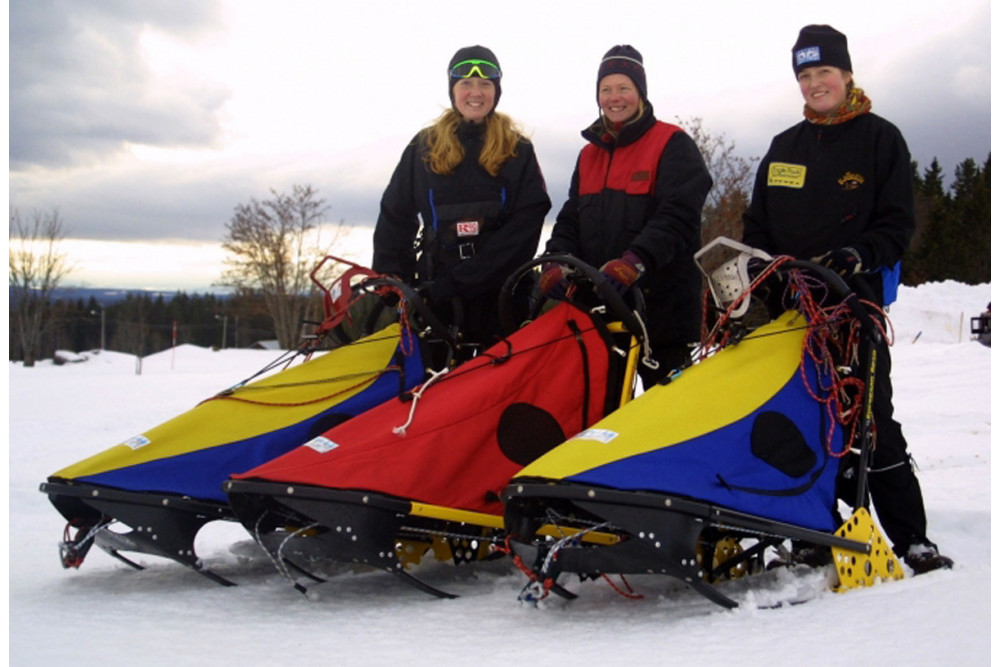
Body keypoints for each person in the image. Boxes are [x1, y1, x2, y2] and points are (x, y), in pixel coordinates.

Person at [742, 25, 952, 574]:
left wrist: (858, 255)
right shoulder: (784, 146)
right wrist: (767, 271)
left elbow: (896, 225)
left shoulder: (881, 139)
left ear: (847, 74)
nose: (815, 84)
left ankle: (913, 539)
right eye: (805, 76)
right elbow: (757, 223)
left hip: (855, 306)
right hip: (794, 312)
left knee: (870, 421)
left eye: (824, 73)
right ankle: (814, 530)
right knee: (805, 422)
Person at [541, 45, 712, 387]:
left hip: (661, 314)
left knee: (664, 420)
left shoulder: (672, 144)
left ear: (640, 93)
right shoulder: (588, 155)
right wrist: (554, 260)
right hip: (600, 314)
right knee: (600, 416)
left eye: (624, 88)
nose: (614, 98)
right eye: (606, 90)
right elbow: (571, 218)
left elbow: (678, 218)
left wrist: (635, 261)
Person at [373, 45, 551, 355]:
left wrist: (463, 280)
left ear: (496, 91)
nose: (476, 92)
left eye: (485, 84)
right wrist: (392, 273)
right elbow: (396, 212)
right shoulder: (424, 146)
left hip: (501, 299)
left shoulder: (517, 149)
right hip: (435, 298)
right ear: (452, 89)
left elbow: (526, 226)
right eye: (465, 83)